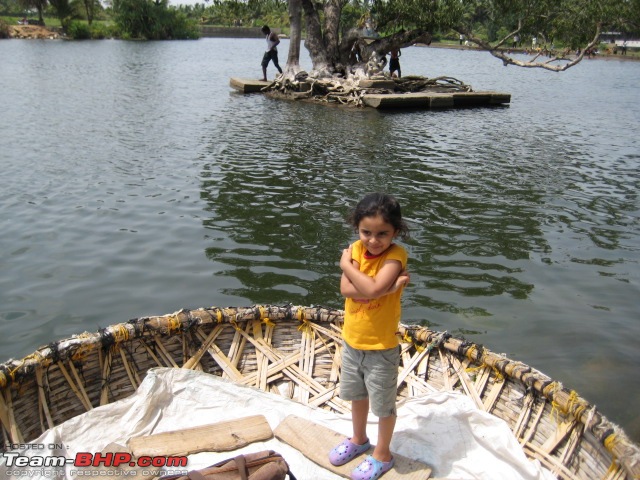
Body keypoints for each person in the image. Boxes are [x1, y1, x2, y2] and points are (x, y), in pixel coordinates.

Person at [329, 193, 410, 480]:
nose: (373, 240)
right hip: (352, 340)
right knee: (358, 396)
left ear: (395, 232)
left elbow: (370, 289)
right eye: (366, 232)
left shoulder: (396, 256)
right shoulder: (354, 248)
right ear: (357, 229)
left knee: (384, 406)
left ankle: (382, 454)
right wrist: (383, 289)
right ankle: (359, 439)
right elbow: (346, 290)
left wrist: (347, 266)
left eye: (382, 234)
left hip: (381, 346)